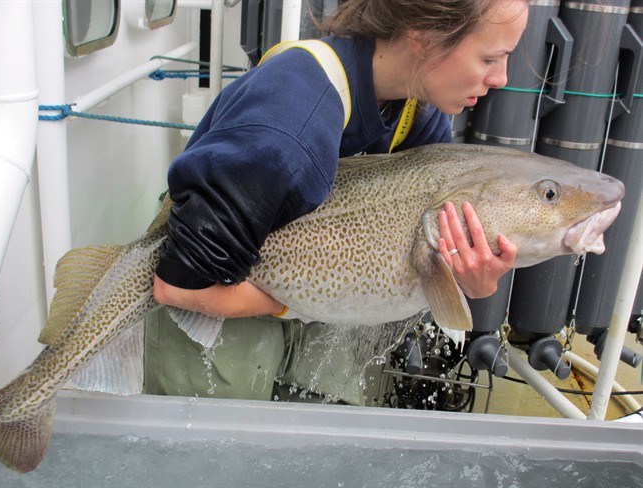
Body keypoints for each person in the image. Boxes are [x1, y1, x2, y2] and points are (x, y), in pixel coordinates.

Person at [145, 0, 529, 402]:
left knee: (322, 430)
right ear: (424, 37)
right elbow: (180, 287)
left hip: (306, 285)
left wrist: (466, 280)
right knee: (216, 447)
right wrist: (294, 303)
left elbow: (422, 253)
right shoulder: (292, 121)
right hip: (212, 279)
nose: (501, 79)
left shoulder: (420, 115)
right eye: (490, 58)